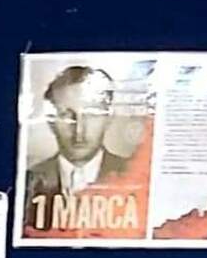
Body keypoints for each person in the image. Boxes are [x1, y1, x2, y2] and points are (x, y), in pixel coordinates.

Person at [24, 66, 131, 229]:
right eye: (66, 115)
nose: (79, 130)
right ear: (51, 121)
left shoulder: (135, 175)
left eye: (91, 114)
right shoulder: (28, 180)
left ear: (109, 118)